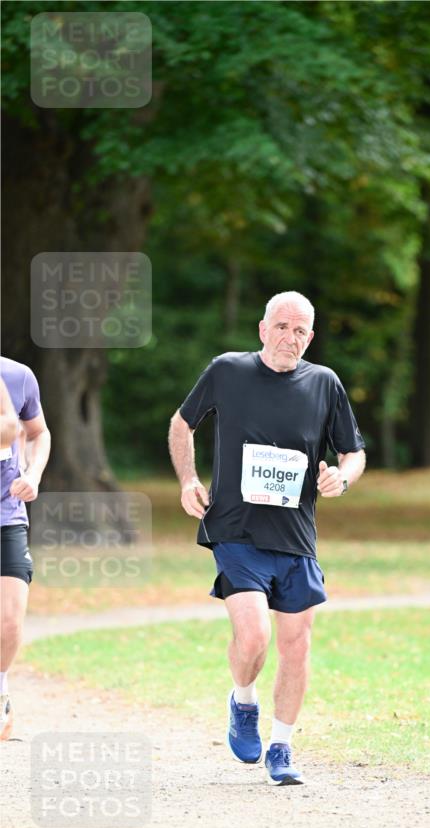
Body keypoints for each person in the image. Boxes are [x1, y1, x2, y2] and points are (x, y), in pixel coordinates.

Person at [168, 291, 366, 785]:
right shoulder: (227, 371)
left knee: (296, 645)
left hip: (296, 537)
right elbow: (181, 423)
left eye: (300, 331)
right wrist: (189, 480)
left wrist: (342, 477)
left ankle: (282, 746)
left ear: (310, 338)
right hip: (235, 529)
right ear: (262, 329)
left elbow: (354, 451)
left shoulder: (324, 383)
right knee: (254, 635)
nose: (289, 338)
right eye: (281, 327)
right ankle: (243, 699)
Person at [1, 357, 51, 741]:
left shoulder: (17, 376)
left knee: (9, 619)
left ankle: (0, 693)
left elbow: (38, 432)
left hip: (7, 513)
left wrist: (32, 474)